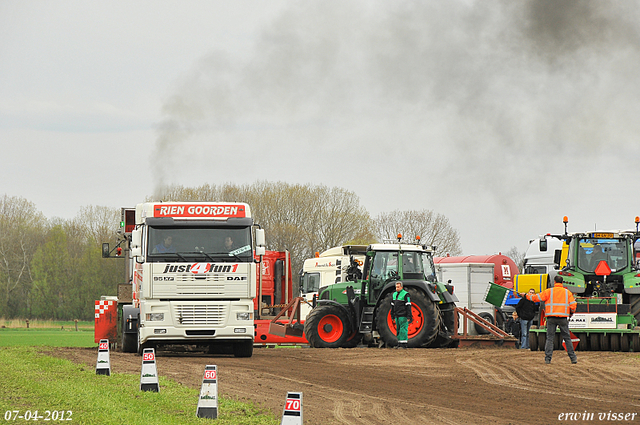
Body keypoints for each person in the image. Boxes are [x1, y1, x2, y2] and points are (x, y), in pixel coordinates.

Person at [526, 275, 577, 364]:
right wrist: (571, 313)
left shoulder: (549, 291)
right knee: (567, 338)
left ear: (554, 282)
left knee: (550, 338)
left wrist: (527, 295)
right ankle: (573, 358)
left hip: (551, 318)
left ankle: (548, 359)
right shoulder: (567, 292)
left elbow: (535, 298)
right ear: (562, 282)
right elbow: (573, 305)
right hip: (563, 318)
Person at [391, 281, 412, 349]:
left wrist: (409, 316)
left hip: (403, 315)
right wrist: (392, 315)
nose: (397, 288)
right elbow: (392, 306)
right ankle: (400, 344)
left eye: (398, 287)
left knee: (403, 329)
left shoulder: (406, 294)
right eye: (396, 287)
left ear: (401, 287)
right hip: (397, 315)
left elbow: (408, 306)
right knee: (398, 330)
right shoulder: (394, 294)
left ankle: (404, 344)